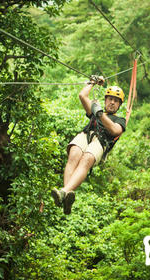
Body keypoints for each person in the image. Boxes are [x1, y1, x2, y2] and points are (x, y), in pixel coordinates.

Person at [51, 76, 126, 214]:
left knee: (86, 159)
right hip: (87, 134)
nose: (112, 102)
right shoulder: (95, 111)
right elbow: (82, 95)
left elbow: (115, 130)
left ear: (119, 105)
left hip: (100, 142)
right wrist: (93, 83)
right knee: (74, 153)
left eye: (116, 101)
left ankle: (64, 192)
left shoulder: (120, 120)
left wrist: (100, 114)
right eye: (110, 99)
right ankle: (66, 194)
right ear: (105, 100)